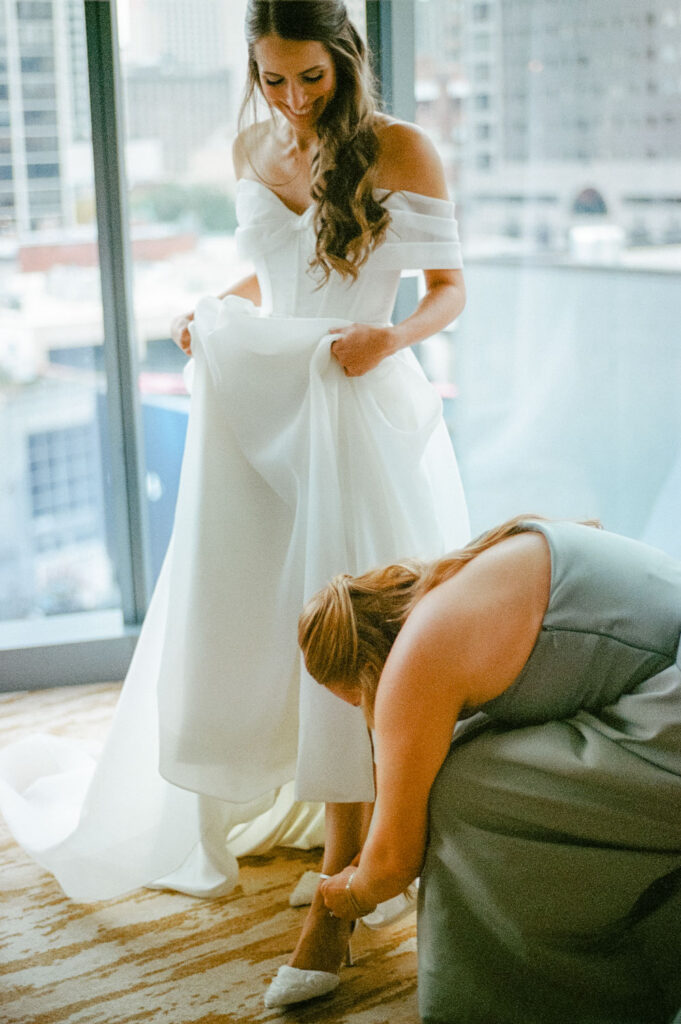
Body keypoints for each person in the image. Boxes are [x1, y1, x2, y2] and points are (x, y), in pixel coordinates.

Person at [0, 0, 468, 1011]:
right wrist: (214, 312)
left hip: (355, 401)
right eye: (272, 78)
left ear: (346, 61)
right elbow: (278, 278)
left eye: (310, 78)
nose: (292, 100)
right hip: (262, 408)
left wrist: (391, 340)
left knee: (345, 619)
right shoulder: (255, 143)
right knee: (261, 612)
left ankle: (345, 875)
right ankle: (326, 828)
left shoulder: (404, 149)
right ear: (253, 73)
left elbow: (447, 290)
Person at [304, 515, 681, 1023]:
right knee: (473, 751)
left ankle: (523, 1004)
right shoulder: (467, 567)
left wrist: (349, 893)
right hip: (660, 681)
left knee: (462, 790)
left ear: (367, 671)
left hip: (668, 715)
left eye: (356, 702)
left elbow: (395, 859)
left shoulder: (413, 662)